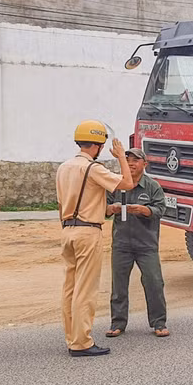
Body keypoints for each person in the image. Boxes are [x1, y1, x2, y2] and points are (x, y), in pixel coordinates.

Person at [56, 120, 135, 357]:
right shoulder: (93, 168)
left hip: (67, 229)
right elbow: (127, 184)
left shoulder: (64, 167)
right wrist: (121, 156)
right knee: (85, 290)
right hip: (88, 231)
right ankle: (82, 342)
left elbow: (61, 204)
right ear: (99, 145)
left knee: (69, 287)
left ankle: (72, 337)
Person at [104, 148, 170, 338]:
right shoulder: (117, 185)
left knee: (154, 282)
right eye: (128, 160)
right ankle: (117, 323)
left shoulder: (152, 186)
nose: (131, 163)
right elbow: (103, 209)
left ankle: (159, 323)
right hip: (121, 244)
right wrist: (112, 209)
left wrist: (143, 210)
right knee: (119, 285)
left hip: (146, 245)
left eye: (136, 160)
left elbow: (160, 210)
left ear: (145, 164)